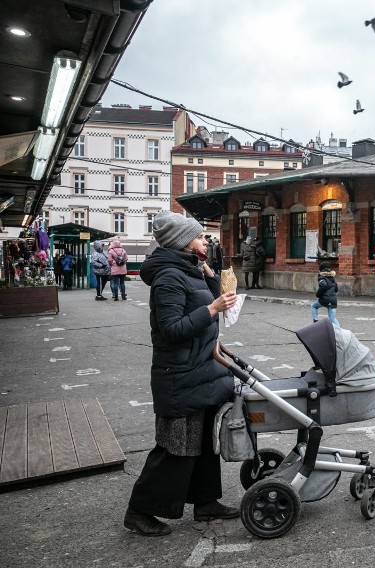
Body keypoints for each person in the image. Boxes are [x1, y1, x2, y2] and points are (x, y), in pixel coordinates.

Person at [124, 210, 239, 537]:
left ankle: (206, 502)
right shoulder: (169, 278)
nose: (205, 240)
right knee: (176, 446)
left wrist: (209, 276)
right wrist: (211, 309)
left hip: (200, 369)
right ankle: (139, 511)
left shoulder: (188, 270)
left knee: (204, 442)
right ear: (182, 241)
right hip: (180, 373)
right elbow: (172, 329)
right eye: (200, 235)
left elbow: (216, 300)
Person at [312, 261, 340, 326]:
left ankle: (316, 321)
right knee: (332, 318)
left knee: (313, 306)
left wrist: (318, 294)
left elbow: (323, 286)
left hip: (325, 299)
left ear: (321, 269)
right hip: (333, 300)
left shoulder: (322, 277)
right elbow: (336, 288)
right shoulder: (332, 277)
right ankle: (339, 331)